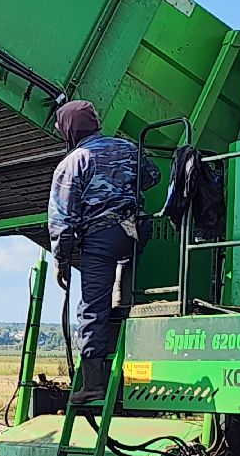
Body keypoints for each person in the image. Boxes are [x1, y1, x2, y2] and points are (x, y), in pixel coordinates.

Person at [47, 100, 159, 405]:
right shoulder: (127, 148)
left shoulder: (73, 162)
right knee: (124, 299)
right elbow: (153, 176)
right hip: (136, 234)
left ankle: (94, 385)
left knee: (92, 309)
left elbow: (63, 219)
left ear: (70, 130)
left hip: (101, 239)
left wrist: (61, 261)